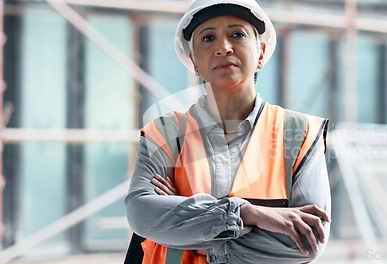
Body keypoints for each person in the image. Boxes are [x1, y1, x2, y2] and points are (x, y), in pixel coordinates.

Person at [124, 0, 331, 263]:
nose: (223, 48)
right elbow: (141, 214)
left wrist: (189, 230)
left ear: (261, 51)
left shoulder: (299, 135)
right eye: (208, 38)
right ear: (194, 61)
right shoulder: (165, 132)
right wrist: (247, 214)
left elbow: (309, 240)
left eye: (237, 34)